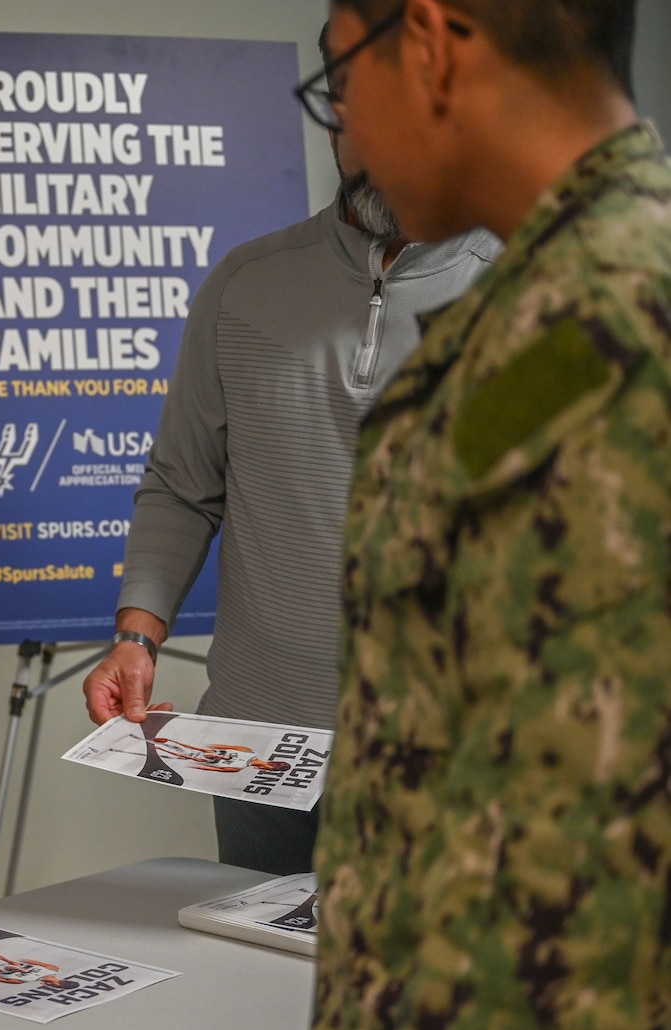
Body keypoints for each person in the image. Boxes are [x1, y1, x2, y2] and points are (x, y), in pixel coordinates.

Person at [307, 0, 670, 1030]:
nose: (349, 135)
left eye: (340, 85)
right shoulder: (557, 310)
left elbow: (582, 863)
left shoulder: (600, 329)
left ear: (426, 43)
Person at [82, 24, 499, 875]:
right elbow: (179, 485)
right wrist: (138, 634)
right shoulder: (246, 284)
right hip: (258, 743)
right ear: (335, 117)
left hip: (455, 752)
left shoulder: (534, 282)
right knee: (256, 992)